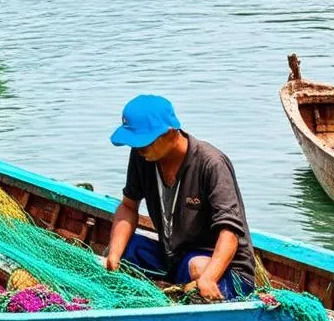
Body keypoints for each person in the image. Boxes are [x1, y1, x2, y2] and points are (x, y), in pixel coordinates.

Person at [104, 95, 255, 300]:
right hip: (173, 257)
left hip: (222, 268)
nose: (139, 150)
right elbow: (128, 207)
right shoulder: (142, 157)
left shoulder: (211, 163)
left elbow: (229, 233)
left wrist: (209, 278)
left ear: (169, 133)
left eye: (143, 143)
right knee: (126, 251)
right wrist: (113, 256)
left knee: (196, 267)